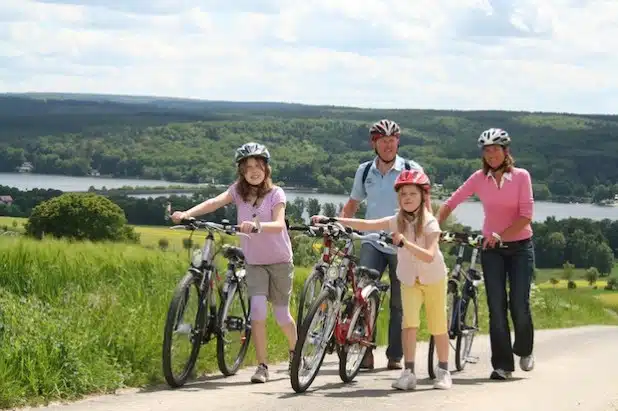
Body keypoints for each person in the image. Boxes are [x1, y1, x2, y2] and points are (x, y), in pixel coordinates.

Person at [312, 169, 452, 390]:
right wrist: (331, 219)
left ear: (423, 196)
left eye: (412, 194)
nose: (407, 198)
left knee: (437, 325)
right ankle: (409, 373)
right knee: (409, 325)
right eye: (403, 194)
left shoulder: (430, 223)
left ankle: (443, 371)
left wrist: (405, 242)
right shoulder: (395, 220)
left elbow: (430, 255)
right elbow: (366, 224)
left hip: (433, 278)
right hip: (408, 279)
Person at [171, 142, 297, 384]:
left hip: (280, 261)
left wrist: (259, 226)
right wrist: (187, 213)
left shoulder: (276, 194)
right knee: (258, 312)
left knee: (282, 316)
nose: (254, 171)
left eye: (258, 165)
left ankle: (295, 352)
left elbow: (280, 223)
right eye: (248, 167)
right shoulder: (238, 192)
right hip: (255, 262)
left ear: (266, 168)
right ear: (241, 171)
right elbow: (214, 203)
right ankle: (262, 366)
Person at [437, 128, 535, 381]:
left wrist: (502, 233)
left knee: (519, 305)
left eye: (496, 149)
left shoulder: (521, 177)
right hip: (491, 249)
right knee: (496, 306)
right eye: (487, 150)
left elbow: (526, 216)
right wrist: (434, 225)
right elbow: (452, 201)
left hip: (520, 247)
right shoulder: (479, 178)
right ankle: (502, 365)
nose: (491, 155)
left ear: (506, 151)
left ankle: (524, 349)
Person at [339, 119, 425, 370]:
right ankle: (364, 350)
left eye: (392, 140)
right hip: (372, 242)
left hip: (401, 245)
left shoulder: (411, 168)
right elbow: (353, 203)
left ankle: (394, 355)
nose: (388, 145)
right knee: (362, 298)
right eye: (383, 141)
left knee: (399, 303)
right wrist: (343, 227)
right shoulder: (365, 171)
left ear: (398, 141)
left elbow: (425, 207)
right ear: (374, 144)